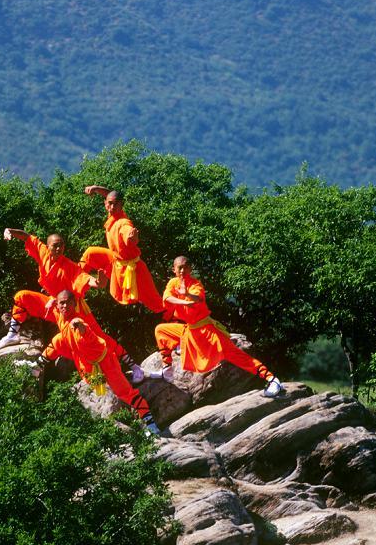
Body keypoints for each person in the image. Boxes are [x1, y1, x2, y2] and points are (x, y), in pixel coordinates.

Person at [0, 228, 145, 381]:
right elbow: (27, 237)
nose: (59, 248)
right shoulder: (43, 253)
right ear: (48, 247)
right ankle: (12, 335)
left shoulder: (69, 266)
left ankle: (134, 366)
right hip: (53, 304)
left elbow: (87, 279)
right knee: (22, 297)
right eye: (55, 245)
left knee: (99, 339)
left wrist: (99, 281)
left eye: (61, 245)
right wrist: (9, 231)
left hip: (73, 309)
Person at [34, 290, 164, 436]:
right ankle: (37, 367)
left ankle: (151, 425)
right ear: (58, 305)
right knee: (58, 340)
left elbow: (89, 335)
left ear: (74, 304)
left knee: (126, 393)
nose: (64, 306)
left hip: (106, 362)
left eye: (67, 302)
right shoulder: (59, 313)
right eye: (61, 303)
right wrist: (51, 301)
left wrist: (81, 327)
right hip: (87, 364)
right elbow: (55, 302)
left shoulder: (78, 322)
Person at [151, 256, 284, 398]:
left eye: (185, 267)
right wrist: (184, 302)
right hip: (190, 330)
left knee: (236, 355)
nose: (183, 270)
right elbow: (166, 299)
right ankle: (167, 369)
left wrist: (187, 295)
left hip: (207, 331)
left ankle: (272, 379)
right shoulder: (173, 283)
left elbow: (198, 298)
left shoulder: (196, 284)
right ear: (174, 270)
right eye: (179, 267)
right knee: (161, 330)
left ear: (190, 269)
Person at [78, 187, 165, 313]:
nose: (112, 207)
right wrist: (96, 188)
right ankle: (74, 283)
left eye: (115, 204)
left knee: (155, 303)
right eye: (110, 204)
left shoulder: (123, 222)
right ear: (105, 204)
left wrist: (132, 239)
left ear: (121, 205)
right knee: (90, 253)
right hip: (115, 260)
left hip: (134, 268)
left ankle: (179, 318)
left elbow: (128, 234)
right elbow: (109, 194)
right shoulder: (113, 214)